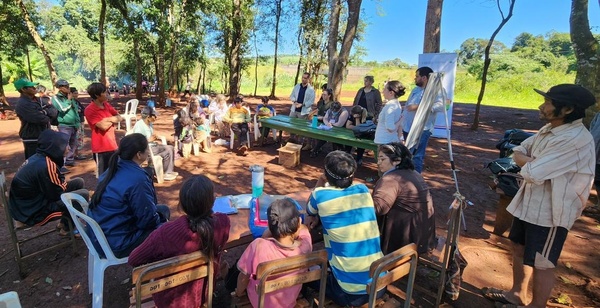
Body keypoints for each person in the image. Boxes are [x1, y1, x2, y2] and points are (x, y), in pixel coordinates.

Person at [482, 84, 596, 308]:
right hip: (531, 202)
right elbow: (518, 150)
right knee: (519, 247)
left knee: (543, 261)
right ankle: (517, 294)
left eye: (548, 103)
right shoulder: (551, 129)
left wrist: (530, 163)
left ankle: (537, 305)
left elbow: (533, 172)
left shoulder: (573, 139)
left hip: (552, 210)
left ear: (567, 109)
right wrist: (530, 162)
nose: (541, 106)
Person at [129, 175, 230, 308]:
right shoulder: (222, 223)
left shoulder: (165, 233)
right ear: (213, 201)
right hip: (202, 295)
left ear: (181, 204)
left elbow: (133, 259)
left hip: (168, 301)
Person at [305, 151, 385, 307]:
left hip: (350, 293)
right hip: (380, 283)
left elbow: (309, 210)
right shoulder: (363, 190)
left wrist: (321, 181)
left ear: (326, 175)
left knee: (304, 276)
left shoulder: (320, 195)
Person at [88, 133, 171, 258]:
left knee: (163, 210)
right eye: (147, 149)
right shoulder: (138, 178)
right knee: (170, 231)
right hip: (118, 242)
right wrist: (162, 221)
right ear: (138, 154)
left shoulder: (113, 168)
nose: (149, 152)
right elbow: (146, 221)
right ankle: (148, 268)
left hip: (101, 234)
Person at [8, 130, 89, 236]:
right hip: (33, 212)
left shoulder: (39, 157)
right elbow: (57, 194)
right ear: (55, 147)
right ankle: (67, 229)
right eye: (65, 145)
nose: (68, 148)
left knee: (78, 182)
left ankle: (64, 224)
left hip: (26, 205)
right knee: (82, 195)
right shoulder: (47, 165)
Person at [233, 199, 312, 307]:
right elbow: (304, 230)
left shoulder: (259, 246)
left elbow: (243, 278)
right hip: (289, 302)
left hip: (259, 303)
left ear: (269, 226)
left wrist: (238, 292)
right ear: (298, 222)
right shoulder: (305, 246)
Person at [372, 143, 436, 255]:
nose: (378, 163)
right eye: (378, 159)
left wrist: (360, 199)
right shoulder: (414, 174)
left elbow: (378, 208)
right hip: (423, 234)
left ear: (397, 161)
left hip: (407, 239)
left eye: (382, 159)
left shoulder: (391, 179)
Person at [402, 66, 446, 173]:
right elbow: (409, 104)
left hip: (422, 129)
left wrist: (418, 107)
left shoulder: (437, 91)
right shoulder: (416, 89)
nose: (415, 79)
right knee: (407, 153)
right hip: (408, 127)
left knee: (417, 155)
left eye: (417, 76)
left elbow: (441, 106)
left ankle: (416, 179)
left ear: (424, 78)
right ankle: (406, 177)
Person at [13, 78, 58, 160]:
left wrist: (43, 112)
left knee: (46, 160)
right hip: (32, 138)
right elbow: (40, 119)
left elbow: (54, 111)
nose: (34, 88)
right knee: (34, 161)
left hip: (44, 135)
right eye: (31, 87)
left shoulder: (38, 99)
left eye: (33, 86)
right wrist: (47, 113)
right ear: (23, 89)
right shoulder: (23, 104)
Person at [84, 82, 122, 176]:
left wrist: (107, 119)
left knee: (115, 173)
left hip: (113, 145)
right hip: (100, 148)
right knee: (103, 176)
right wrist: (113, 119)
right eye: (104, 92)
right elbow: (103, 126)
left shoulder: (106, 105)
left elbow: (119, 117)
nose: (107, 94)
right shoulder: (90, 109)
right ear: (97, 95)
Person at [132, 106, 179, 181]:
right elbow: (137, 142)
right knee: (168, 150)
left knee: (170, 148)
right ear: (148, 117)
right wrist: (148, 140)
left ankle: (167, 171)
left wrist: (155, 137)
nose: (156, 117)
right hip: (145, 149)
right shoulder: (139, 125)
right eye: (154, 116)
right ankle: (166, 173)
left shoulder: (150, 124)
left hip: (152, 146)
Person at [52, 79, 82, 168]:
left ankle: (70, 160)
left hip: (74, 125)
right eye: (66, 86)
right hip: (64, 125)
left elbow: (75, 110)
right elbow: (62, 109)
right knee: (64, 144)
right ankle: (61, 164)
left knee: (73, 143)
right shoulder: (56, 98)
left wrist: (77, 123)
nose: (68, 88)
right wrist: (69, 100)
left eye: (68, 86)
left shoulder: (70, 96)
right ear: (60, 88)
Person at [374, 80, 405, 145]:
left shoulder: (391, 107)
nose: (382, 91)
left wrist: (400, 121)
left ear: (391, 93)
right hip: (387, 140)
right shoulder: (395, 104)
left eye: (385, 89)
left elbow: (390, 128)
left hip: (385, 141)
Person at [304, 87, 334, 152]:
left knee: (318, 133)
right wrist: (312, 114)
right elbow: (318, 110)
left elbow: (332, 116)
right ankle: (309, 144)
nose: (323, 96)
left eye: (325, 95)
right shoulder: (320, 102)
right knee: (310, 128)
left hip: (326, 122)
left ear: (329, 95)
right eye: (322, 94)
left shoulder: (332, 104)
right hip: (317, 119)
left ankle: (317, 147)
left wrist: (323, 118)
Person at [70, 87, 87, 160]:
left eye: (77, 93)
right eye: (74, 93)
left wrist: (81, 111)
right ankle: (73, 154)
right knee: (76, 138)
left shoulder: (77, 102)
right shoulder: (71, 102)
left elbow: (83, 110)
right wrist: (80, 111)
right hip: (76, 122)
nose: (76, 95)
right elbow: (77, 111)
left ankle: (76, 154)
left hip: (81, 121)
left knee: (79, 138)